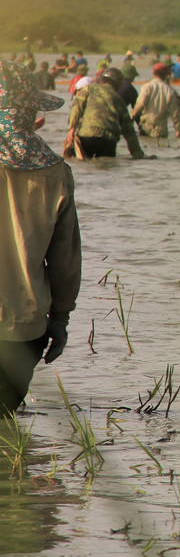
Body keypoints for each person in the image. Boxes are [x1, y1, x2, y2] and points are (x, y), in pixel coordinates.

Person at [0, 61, 81, 416]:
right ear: (29, 109)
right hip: (24, 330)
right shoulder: (55, 172)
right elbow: (65, 261)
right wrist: (60, 320)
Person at [65, 68, 146, 159]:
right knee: (107, 166)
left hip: (87, 136)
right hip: (108, 141)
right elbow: (129, 131)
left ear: (102, 80)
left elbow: (76, 108)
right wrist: (138, 155)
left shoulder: (89, 89)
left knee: (84, 166)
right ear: (119, 84)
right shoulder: (119, 100)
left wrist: (71, 131)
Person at [132, 62, 180, 139]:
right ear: (165, 74)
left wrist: (131, 116)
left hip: (146, 127)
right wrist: (177, 129)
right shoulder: (169, 90)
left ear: (154, 73)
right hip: (161, 130)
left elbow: (141, 104)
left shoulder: (146, 87)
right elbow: (174, 112)